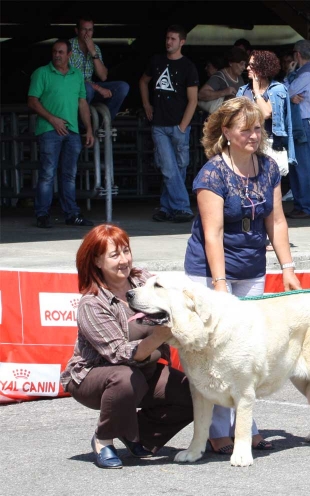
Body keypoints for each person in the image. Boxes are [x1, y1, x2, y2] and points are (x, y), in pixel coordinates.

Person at [183, 97, 301, 454]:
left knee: (246, 351)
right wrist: (220, 286)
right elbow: (213, 233)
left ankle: (245, 423)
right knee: (216, 352)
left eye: (258, 128)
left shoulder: (267, 168)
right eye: (246, 129)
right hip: (210, 272)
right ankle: (218, 429)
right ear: (227, 132)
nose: (254, 135)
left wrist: (288, 268)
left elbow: (276, 220)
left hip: (252, 267)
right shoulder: (211, 175)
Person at [60, 224, 194, 469]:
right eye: (114, 255)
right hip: (95, 376)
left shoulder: (143, 280)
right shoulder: (91, 303)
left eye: (126, 251)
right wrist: (159, 336)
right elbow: (119, 354)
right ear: (97, 262)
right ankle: (103, 439)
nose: (123, 260)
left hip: (145, 371)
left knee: (193, 392)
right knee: (125, 376)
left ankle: (137, 434)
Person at [27, 39, 95, 229]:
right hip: (49, 130)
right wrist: (52, 119)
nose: (57, 55)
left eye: (61, 52)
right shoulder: (42, 73)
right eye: (55, 52)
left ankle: (71, 214)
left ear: (69, 55)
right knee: (48, 174)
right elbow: (32, 101)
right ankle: (42, 215)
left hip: (72, 130)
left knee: (69, 175)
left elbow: (82, 103)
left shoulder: (76, 76)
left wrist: (88, 129)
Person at [139, 25, 199, 223]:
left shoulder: (188, 66)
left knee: (177, 168)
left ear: (182, 42)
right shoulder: (156, 61)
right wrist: (146, 103)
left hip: (179, 125)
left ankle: (166, 207)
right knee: (169, 168)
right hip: (159, 125)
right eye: (167, 38)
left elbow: (193, 100)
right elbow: (143, 81)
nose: (168, 42)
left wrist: (183, 125)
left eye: (173, 39)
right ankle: (182, 207)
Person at [237, 50, 296, 251]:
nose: (247, 68)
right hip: (246, 147)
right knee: (249, 194)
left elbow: (266, 112)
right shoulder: (242, 90)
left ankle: (273, 238)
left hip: (269, 145)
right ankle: (255, 236)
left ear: (261, 69)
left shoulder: (277, 89)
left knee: (270, 196)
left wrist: (255, 89)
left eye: (251, 65)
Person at [283, 39, 310, 219]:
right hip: (302, 123)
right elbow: (289, 93)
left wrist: (288, 75)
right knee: (297, 166)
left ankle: (308, 207)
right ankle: (301, 205)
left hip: (303, 123)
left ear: (297, 54)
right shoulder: (304, 73)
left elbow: (284, 92)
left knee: (303, 166)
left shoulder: (306, 75)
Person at [69, 16, 130, 122]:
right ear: (77, 30)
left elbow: (103, 76)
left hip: (91, 90)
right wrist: (98, 88)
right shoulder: (68, 47)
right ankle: (82, 124)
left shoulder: (95, 48)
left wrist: (93, 52)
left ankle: (102, 123)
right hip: (73, 90)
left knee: (122, 87)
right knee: (87, 88)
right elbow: (71, 77)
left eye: (90, 30)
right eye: (84, 29)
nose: (87, 33)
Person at [198, 46, 247, 111]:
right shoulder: (219, 77)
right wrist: (224, 92)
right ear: (231, 63)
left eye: (245, 64)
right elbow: (201, 94)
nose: (244, 67)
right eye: (241, 64)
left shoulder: (239, 78)